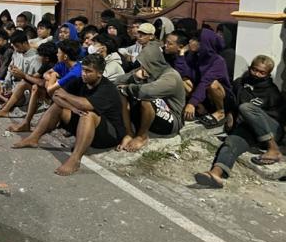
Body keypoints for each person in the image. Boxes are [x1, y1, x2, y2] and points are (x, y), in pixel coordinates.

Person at [13, 54, 125, 176]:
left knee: (88, 114)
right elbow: (55, 96)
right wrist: (71, 107)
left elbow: (85, 105)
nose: (84, 73)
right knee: (58, 106)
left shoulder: (107, 88)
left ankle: (75, 159)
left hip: (108, 135)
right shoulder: (80, 81)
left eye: (88, 71)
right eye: (83, 69)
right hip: (85, 127)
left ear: (99, 73)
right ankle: (33, 138)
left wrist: (66, 96)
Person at [194, 56, 285, 188]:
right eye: (254, 70)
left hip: (271, 130)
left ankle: (273, 149)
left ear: (268, 74)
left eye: (262, 72)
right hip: (248, 130)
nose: (257, 74)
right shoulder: (240, 83)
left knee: (246, 107)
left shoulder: (272, 92)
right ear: (249, 69)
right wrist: (230, 115)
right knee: (230, 143)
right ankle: (216, 174)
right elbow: (231, 101)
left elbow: (278, 118)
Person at [116, 45, 185, 152]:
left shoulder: (171, 76)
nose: (142, 65)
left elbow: (147, 92)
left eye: (145, 62)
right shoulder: (147, 70)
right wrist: (134, 76)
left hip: (171, 119)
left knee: (146, 99)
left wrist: (129, 87)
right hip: (152, 114)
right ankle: (129, 133)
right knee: (121, 93)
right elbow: (117, 81)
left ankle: (141, 136)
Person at [4, 39, 81, 127]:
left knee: (53, 92)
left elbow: (50, 88)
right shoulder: (62, 64)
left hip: (71, 103)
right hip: (59, 95)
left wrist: (53, 76)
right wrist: (53, 77)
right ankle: (26, 122)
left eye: (59, 53)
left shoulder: (75, 72)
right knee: (36, 88)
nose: (57, 55)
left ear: (65, 56)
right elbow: (45, 74)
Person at [181, 29, 232, 127]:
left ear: (204, 43)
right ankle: (202, 109)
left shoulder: (218, 61)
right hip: (202, 94)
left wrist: (192, 103)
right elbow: (182, 73)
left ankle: (220, 112)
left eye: (195, 40)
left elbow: (205, 82)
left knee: (213, 85)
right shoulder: (194, 56)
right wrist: (182, 53)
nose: (190, 42)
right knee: (183, 81)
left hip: (220, 96)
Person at [0, 30, 40, 105]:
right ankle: (6, 100)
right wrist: (5, 85)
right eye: (14, 46)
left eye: (17, 46)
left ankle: (7, 99)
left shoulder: (35, 57)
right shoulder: (16, 53)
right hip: (11, 85)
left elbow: (36, 80)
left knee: (20, 97)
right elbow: (9, 70)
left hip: (23, 88)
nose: (16, 49)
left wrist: (22, 75)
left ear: (24, 43)